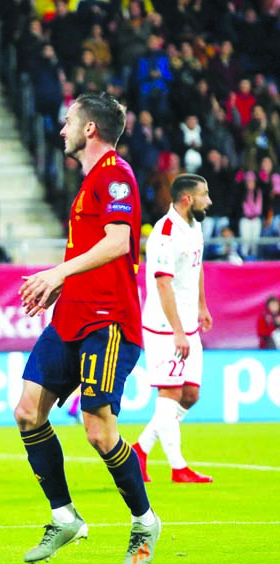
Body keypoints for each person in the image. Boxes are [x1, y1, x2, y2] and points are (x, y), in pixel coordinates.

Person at [15, 92, 161, 564]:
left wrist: (58, 273)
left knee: (98, 431)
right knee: (27, 412)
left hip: (108, 322)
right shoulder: (90, 182)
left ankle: (143, 521)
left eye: (68, 122)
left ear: (90, 130)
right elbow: (95, 250)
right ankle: (64, 517)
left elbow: (119, 242)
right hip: (72, 317)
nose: (62, 130)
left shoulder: (116, 176)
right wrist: (64, 283)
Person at [133, 174, 214, 485]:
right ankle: (178, 467)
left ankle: (140, 449)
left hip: (188, 323)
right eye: (204, 195)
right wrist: (179, 331)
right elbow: (163, 283)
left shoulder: (196, 227)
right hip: (165, 327)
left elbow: (197, 267)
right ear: (187, 199)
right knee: (171, 393)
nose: (209, 201)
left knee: (190, 394)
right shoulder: (164, 234)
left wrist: (202, 306)